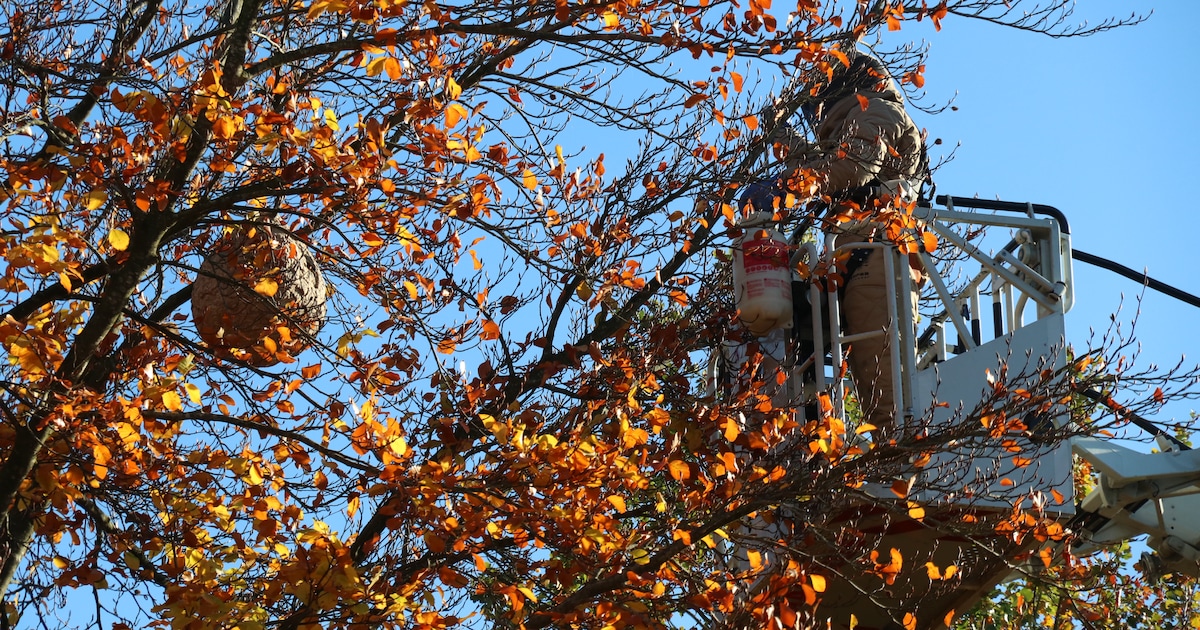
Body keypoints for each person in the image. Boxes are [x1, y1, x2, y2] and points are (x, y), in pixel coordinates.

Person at [785, 48, 928, 430]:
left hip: (878, 257)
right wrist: (790, 147)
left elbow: (851, 170)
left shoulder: (876, 111)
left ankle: (899, 469)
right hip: (862, 260)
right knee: (873, 387)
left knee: (888, 399)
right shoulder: (861, 119)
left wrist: (793, 160)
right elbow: (838, 167)